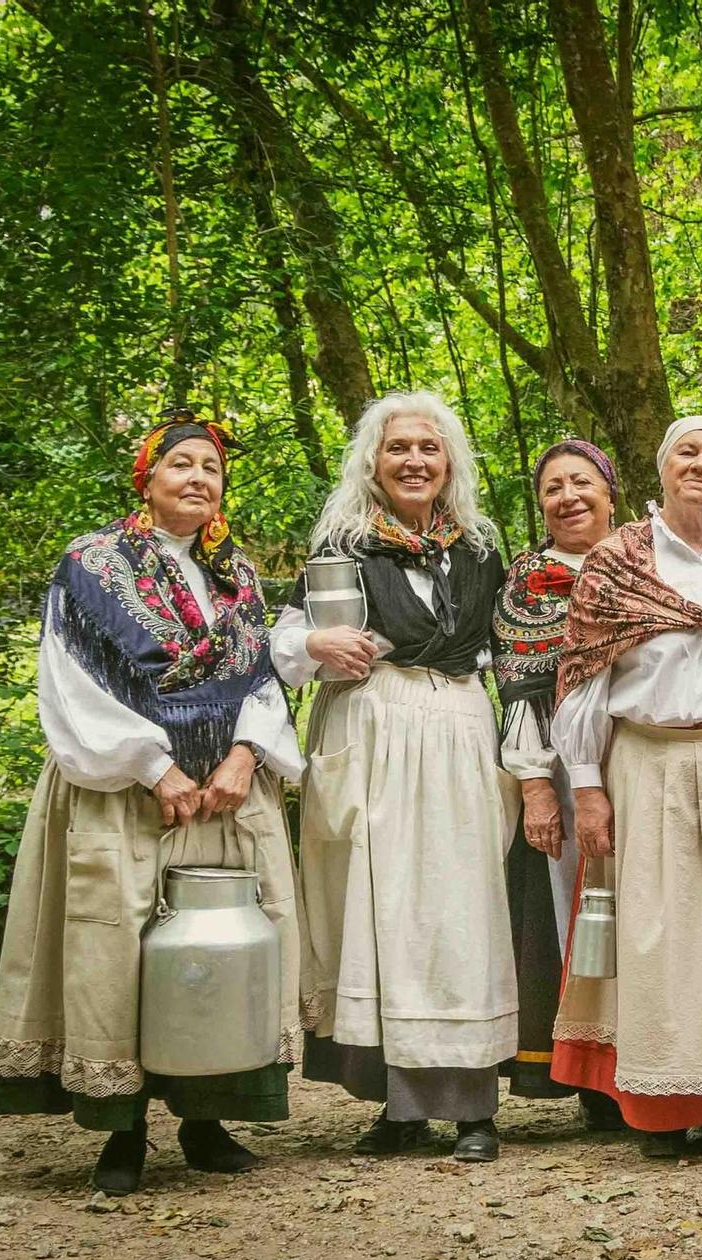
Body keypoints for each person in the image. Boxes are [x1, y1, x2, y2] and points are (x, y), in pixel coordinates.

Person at [0, 410, 303, 1196]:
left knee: (215, 954)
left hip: (224, 794)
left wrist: (244, 755)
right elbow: (70, 678)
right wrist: (155, 767)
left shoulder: (237, 575)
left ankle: (206, 1120)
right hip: (124, 791)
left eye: (212, 468)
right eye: (181, 463)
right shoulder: (92, 565)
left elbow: (262, 678)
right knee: (117, 951)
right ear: (147, 476)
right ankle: (121, 1132)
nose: (198, 478)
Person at [275, 391, 516, 1162]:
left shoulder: (479, 548)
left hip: (456, 727)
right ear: (373, 462)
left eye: (428, 447)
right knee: (381, 916)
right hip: (373, 726)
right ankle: (400, 1107)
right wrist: (317, 645)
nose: (414, 460)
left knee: (458, 915)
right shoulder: (343, 545)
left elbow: (514, 651)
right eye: (398, 447)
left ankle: (472, 1106)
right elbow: (286, 638)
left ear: (449, 462)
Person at [549, 415, 702, 1158]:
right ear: (660, 467)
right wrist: (586, 787)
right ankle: (657, 1106)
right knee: (655, 934)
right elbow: (582, 681)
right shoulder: (619, 560)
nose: (701, 464)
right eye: (687, 451)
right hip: (648, 761)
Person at [492, 439, 623, 1129]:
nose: (568, 497)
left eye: (581, 483)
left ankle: (652, 1063)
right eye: (552, 488)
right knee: (579, 911)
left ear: (610, 493)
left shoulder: (646, 561)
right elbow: (518, 684)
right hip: (567, 769)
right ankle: (593, 1078)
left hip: (644, 755)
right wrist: (536, 785)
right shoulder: (528, 579)